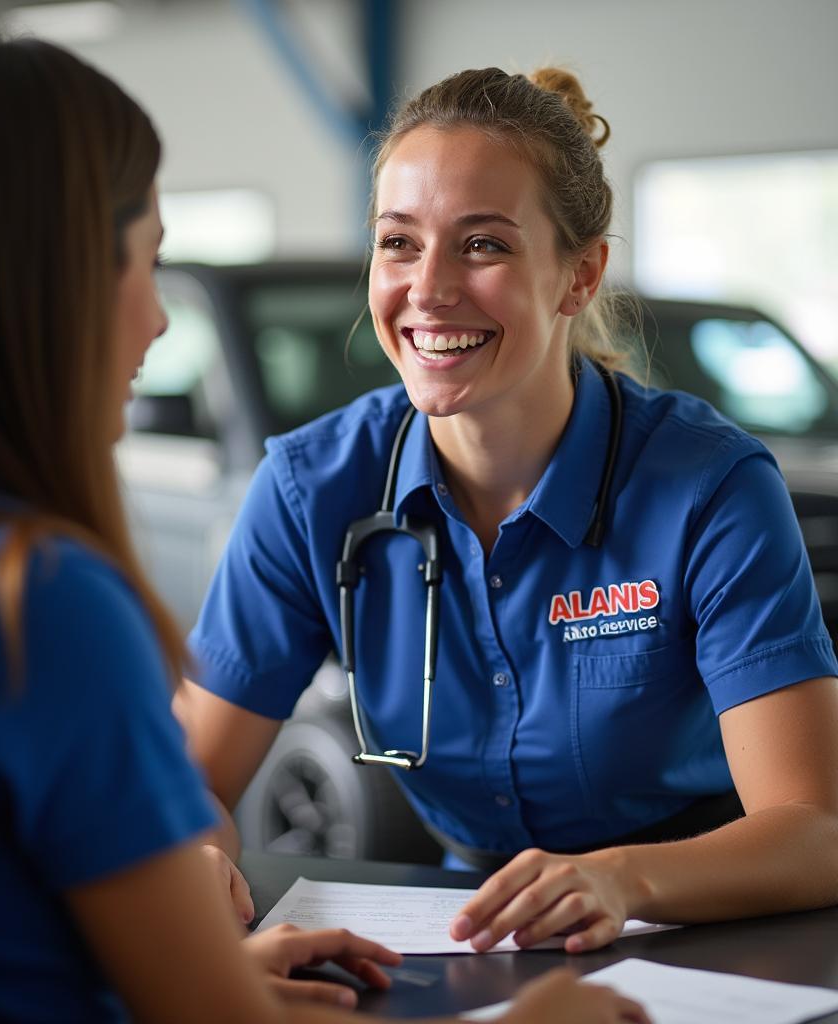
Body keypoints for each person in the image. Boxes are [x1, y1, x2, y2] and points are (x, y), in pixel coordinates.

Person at [0, 25, 651, 1024]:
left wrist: (198, 981)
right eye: (142, 262)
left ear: (578, 276)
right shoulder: (43, 604)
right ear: (52, 283)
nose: (158, 321)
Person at [176, 64, 838, 955]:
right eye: (399, 242)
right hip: (472, 932)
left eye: (482, 245)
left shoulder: (709, 486)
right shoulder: (310, 488)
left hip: (703, 913)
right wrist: (195, 864)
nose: (430, 288)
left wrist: (624, 877)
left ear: (579, 274)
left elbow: (814, 828)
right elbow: (186, 785)